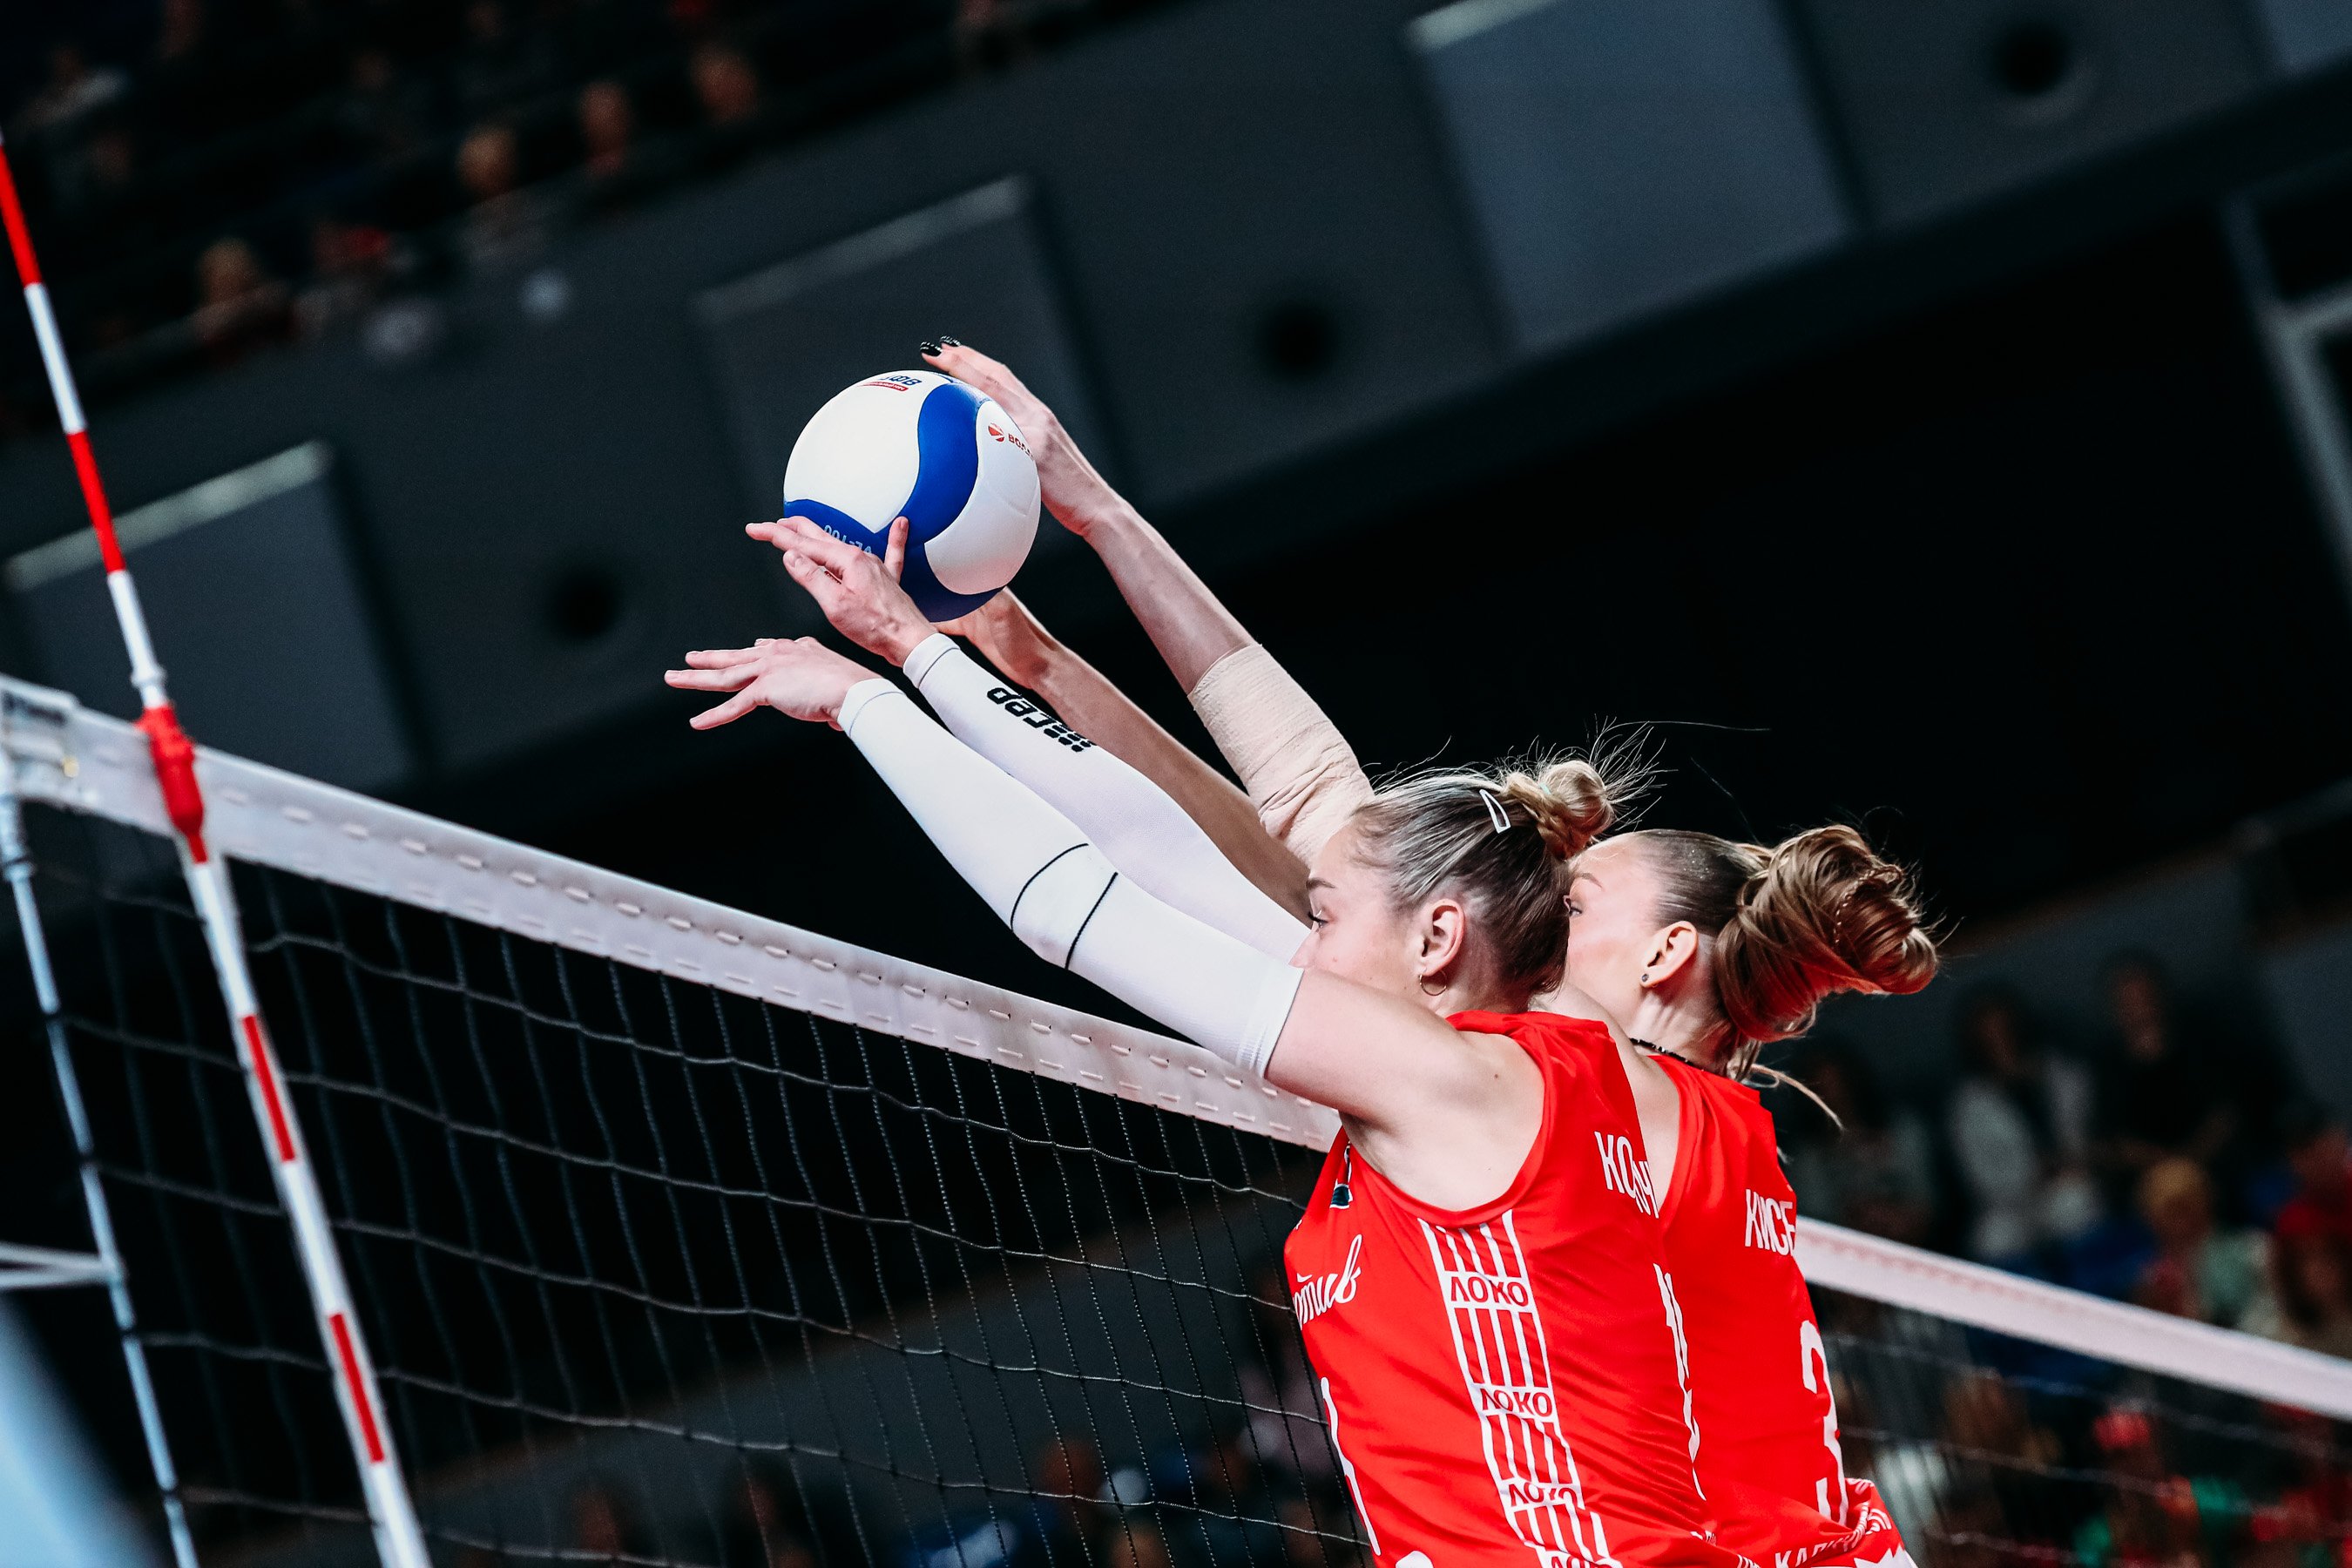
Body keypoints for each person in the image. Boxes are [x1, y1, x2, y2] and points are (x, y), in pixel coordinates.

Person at [794, 338, 1938, 1568]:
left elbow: (1242, 845)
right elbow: (1294, 824)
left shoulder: (1526, 1084)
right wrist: (1045, 598)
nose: (1542, 899)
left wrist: (919, 663)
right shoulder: (1676, 1112)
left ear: (1663, 957)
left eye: (1574, 896)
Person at [667, 624, 1743, 1568]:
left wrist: (865, 703)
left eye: (1323, 918)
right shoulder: (1495, 1075)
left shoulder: (1450, 1080)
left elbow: (1070, 906)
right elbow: (1157, 854)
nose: (1300, 945)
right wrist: (923, 653)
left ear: (1437, 940)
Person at [1945, 988, 2099, 1267]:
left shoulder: (2060, 1071)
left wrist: (2070, 1163)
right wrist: (2030, 1175)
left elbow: (2087, 1128)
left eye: (2003, 1028)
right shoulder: (1969, 1104)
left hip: (2069, 1179)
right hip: (2011, 1203)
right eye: (1988, 1033)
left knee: (2074, 1204)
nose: (1999, 1038)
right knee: (1992, 1238)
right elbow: (1978, 1176)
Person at [2132, 1158, 2272, 1329]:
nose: (2179, 1219)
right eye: (2169, 1209)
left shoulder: (2253, 1249)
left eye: (2184, 1205)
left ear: (2207, 1200)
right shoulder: (2151, 1276)